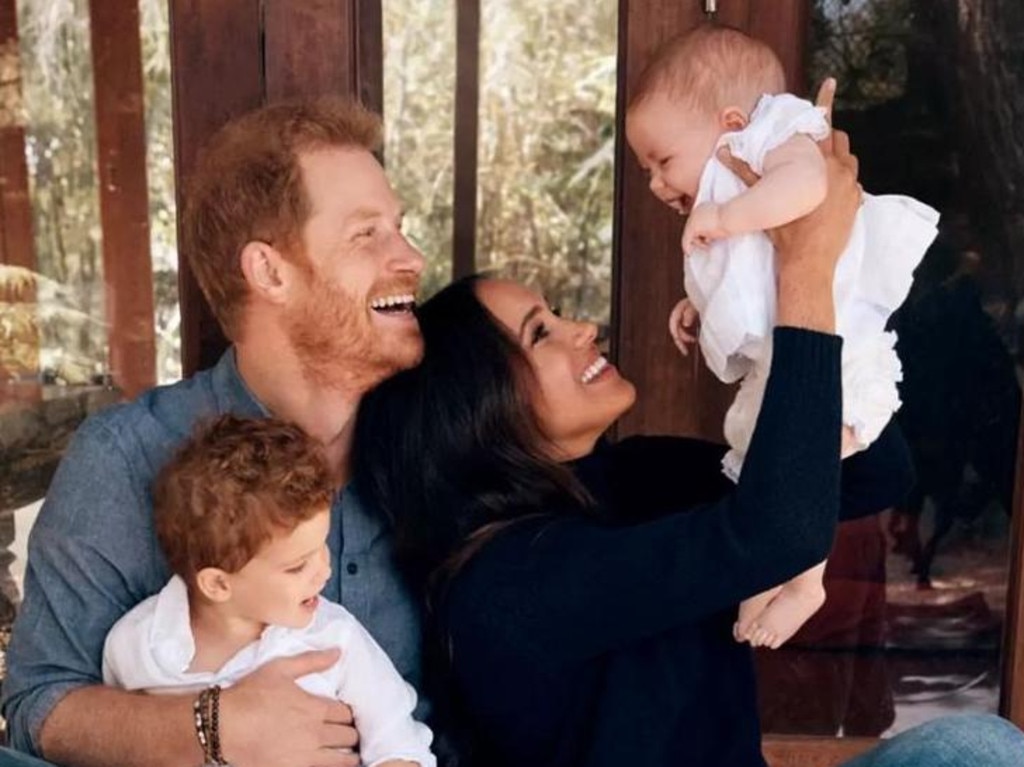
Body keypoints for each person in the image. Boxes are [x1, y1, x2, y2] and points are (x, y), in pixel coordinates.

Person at [352, 104, 1024, 765]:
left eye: (556, 313)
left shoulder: (639, 475)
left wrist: (770, 334)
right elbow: (779, 532)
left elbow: (874, 474)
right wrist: (804, 273)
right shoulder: (507, 584)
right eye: (541, 333)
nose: (580, 328)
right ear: (477, 411)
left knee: (978, 748)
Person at [1, 98, 425, 767]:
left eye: (400, 228)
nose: (411, 257)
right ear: (269, 271)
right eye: (367, 234)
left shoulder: (433, 445)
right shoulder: (125, 458)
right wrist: (213, 728)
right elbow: (36, 708)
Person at [624, 25, 940, 648]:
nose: (658, 184)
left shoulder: (780, 135)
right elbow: (753, 273)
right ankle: (771, 571)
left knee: (803, 460)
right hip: (790, 351)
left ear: (732, 121)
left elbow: (808, 189)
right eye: (646, 171)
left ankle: (805, 581)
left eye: (663, 161)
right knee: (759, 457)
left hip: (839, 347)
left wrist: (725, 215)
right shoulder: (733, 183)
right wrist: (698, 303)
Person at [102, 415, 435, 767]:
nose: (324, 571)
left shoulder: (334, 637)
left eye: (322, 548)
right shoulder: (136, 646)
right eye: (296, 566)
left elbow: (397, 739)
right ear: (218, 583)